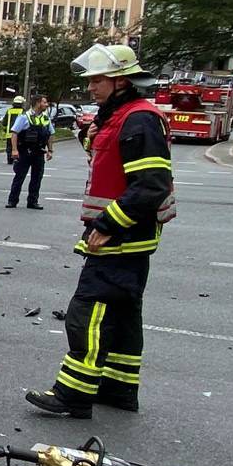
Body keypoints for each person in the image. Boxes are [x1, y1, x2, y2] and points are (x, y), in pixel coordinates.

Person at [27, 44, 174, 418]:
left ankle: (73, 395)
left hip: (120, 238)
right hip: (130, 239)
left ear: (120, 80)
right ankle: (118, 389)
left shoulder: (138, 119)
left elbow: (151, 184)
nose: (90, 87)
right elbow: (108, 158)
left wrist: (108, 225)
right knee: (123, 315)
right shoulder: (123, 115)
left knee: (88, 313)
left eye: (97, 80)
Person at [8, 95, 55, 209]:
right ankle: (12, 201)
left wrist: (50, 150)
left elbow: (50, 134)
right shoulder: (24, 117)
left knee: (37, 178)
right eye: (44, 102)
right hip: (25, 152)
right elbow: (14, 133)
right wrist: (14, 150)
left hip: (39, 152)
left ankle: (32, 201)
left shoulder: (45, 118)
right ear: (38, 103)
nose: (47, 104)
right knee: (19, 177)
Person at [2, 96, 27, 163]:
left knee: (9, 147)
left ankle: (10, 159)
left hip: (9, 133)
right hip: (20, 133)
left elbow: (4, 123)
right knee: (19, 146)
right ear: (22, 103)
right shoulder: (23, 111)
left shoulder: (9, 111)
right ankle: (18, 159)